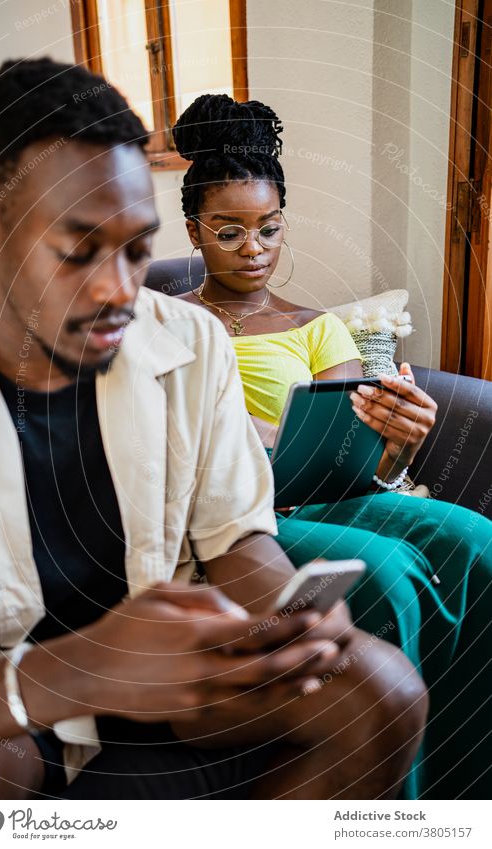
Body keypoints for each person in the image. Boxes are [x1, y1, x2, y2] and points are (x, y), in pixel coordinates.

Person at [0, 58, 426, 801]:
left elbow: (235, 536)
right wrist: (87, 663)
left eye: (136, 247)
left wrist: (284, 615)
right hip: (6, 691)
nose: (120, 289)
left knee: (379, 691)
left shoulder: (187, 341)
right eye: (78, 248)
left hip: (174, 674)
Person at [172, 93, 492, 799]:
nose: (252, 249)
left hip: (319, 494)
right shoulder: (160, 320)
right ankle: (389, 807)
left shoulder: (315, 327)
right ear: (193, 231)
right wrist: (240, 434)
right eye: (228, 232)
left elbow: (353, 458)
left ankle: (468, 790)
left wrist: (397, 438)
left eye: (268, 228)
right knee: (377, 569)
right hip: (235, 514)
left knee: (475, 538)